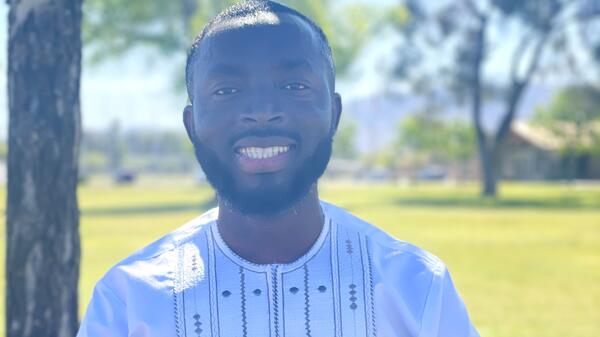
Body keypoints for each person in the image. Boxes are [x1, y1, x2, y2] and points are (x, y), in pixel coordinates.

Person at [77, 1, 480, 336]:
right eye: (227, 91)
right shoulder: (130, 299)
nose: (262, 113)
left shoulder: (415, 286)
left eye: (294, 87)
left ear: (334, 115)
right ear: (192, 124)